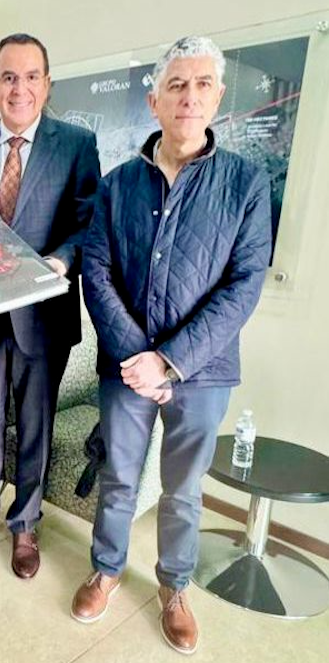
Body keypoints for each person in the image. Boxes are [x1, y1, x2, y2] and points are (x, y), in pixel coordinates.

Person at [74, 36, 272, 654]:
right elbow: (96, 270)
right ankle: (106, 570)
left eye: (202, 84)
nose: (189, 97)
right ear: (154, 100)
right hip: (125, 367)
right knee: (118, 478)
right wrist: (138, 357)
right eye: (177, 85)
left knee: (183, 490)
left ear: (218, 96)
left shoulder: (246, 183)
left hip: (203, 372)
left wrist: (171, 360)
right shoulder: (118, 184)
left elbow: (244, 284)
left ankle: (175, 586)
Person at [0, 33, 100, 579]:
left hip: (43, 315)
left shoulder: (76, 145)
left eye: (31, 77)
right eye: (8, 77)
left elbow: (88, 224)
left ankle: (25, 523)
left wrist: (61, 260)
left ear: (46, 84)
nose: (19, 88)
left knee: (35, 423)